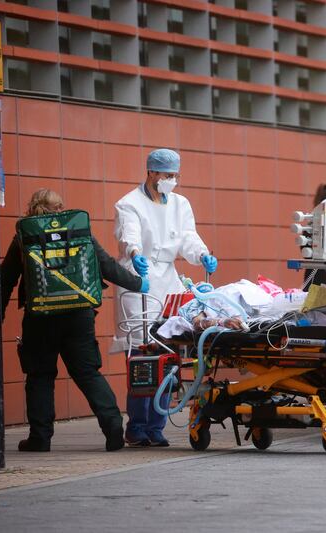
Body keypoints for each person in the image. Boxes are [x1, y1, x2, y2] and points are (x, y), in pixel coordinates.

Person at [1, 189, 148, 452]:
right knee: (87, 373)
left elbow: (5, 281)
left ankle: (40, 438)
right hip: (79, 315)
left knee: (40, 376)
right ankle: (113, 427)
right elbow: (106, 266)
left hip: (40, 317)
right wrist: (138, 283)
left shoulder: (24, 236)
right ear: (60, 208)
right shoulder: (78, 232)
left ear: (33, 208)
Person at [111, 148, 217, 447]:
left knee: (169, 350)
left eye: (175, 176)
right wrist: (134, 253)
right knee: (142, 353)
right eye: (166, 175)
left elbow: (188, 237)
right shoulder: (129, 204)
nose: (171, 180)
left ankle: (156, 424)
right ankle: (137, 425)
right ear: (151, 172)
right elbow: (128, 234)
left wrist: (203, 254)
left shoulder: (180, 203)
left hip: (168, 279)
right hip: (139, 278)